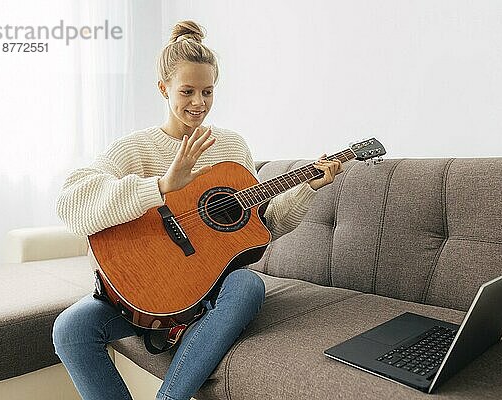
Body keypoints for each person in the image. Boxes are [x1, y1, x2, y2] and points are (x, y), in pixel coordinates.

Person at [52, 20, 342, 400]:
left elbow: (262, 225)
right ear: (163, 88)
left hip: (212, 286)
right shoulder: (135, 148)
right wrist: (160, 187)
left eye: (207, 92)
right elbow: (71, 203)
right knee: (69, 330)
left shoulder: (232, 147)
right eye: (187, 91)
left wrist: (307, 188)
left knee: (248, 284)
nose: (198, 103)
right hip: (147, 289)